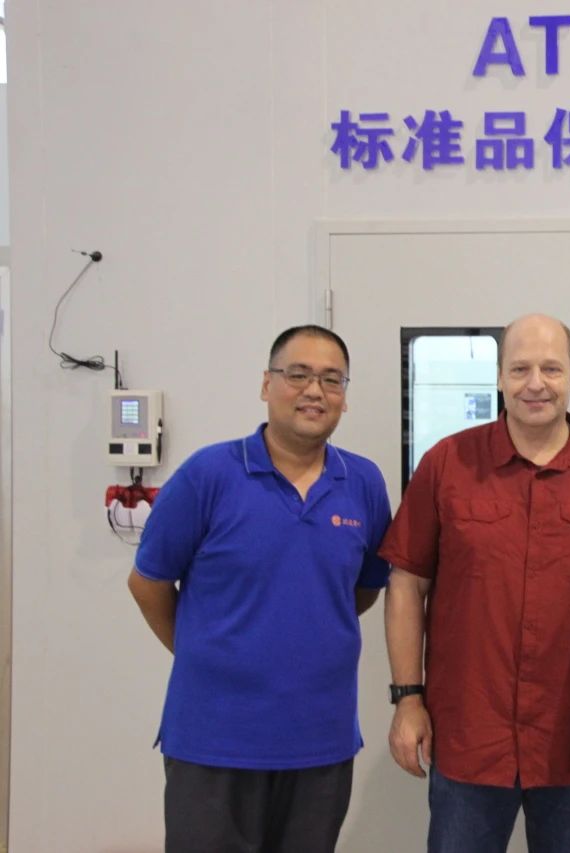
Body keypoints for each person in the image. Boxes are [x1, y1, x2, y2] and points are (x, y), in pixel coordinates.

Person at [380, 314, 570, 853]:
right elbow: (407, 583)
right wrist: (408, 699)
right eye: (520, 368)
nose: (535, 384)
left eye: (551, 368)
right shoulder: (447, 463)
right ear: (500, 377)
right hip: (469, 736)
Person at [127, 325, 391, 853]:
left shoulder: (363, 483)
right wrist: (203, 648)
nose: (314, 391)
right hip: (214, 740)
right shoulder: (208, 475)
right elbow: (147, 582)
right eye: (298, 374)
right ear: (267, 384)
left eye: (331, 379)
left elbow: (361, 591)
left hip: (320, 742)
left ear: (344, 396)